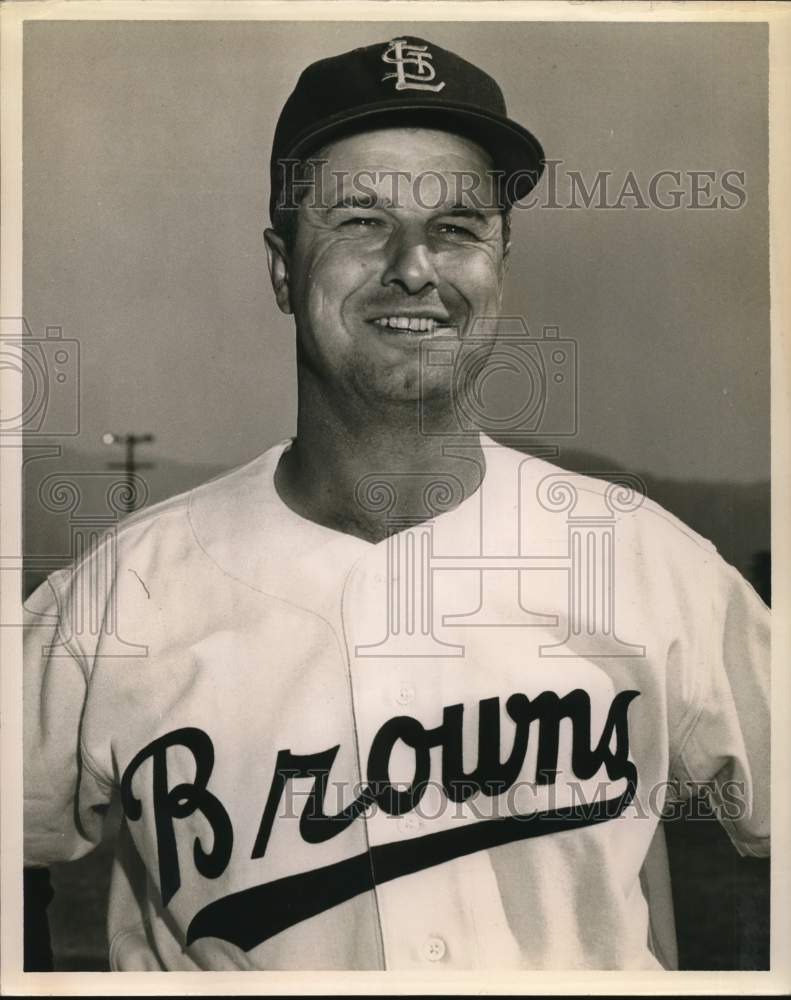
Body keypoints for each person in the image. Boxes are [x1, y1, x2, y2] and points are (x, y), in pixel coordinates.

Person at [23, 35, 769, 971]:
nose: (414, 266)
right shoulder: (120, 595)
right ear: (281, 267)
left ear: (500, 265)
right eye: (361, 221)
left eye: (457, 226)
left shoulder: (643, 561)